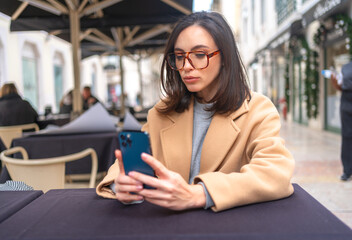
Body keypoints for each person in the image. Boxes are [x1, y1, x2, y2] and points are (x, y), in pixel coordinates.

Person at [96, 11, 294, 212]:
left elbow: (276, 172)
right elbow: (127, 166)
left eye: (200, 55)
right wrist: (121, 183)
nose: (186, 66)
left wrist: (199, 194)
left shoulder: (257, 109)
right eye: (179, 56)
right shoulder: (161, 113)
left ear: (225, 57)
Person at [331, 60, 352, 181]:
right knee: (347, 137)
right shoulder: (345, 67)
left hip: (346, 104)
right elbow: (340, 86)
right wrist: (334, 80)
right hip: (346, 105)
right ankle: (347, 170)